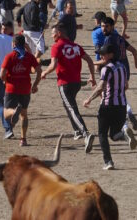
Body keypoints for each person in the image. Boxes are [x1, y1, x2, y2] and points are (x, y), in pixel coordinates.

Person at [41, 23, 96, 153]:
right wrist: (92, 76)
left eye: (53, 33)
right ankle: (77, 130)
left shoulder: (57, 47)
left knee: (71, 108)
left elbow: (53, 65)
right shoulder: (76, 46)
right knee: (68, 105)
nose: (51, 35)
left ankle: (85, 133)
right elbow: (89, 60)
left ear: (59, 33)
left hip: (64, 83)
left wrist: (44, 72)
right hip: (76, 83)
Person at [83, 44, 133, 170]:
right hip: (121, 105)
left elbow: (101, 87)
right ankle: (123, 134)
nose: (101, 55)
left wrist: (89, 99)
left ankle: (108, 162)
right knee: (114, 134)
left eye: (103, 53)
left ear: (111, 54)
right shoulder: (122, 67)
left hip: (107, 106)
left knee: (102, 134)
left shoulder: (107, 69)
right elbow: (126, 86)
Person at [96, 17, 137, 136]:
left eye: (106, 26)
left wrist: (93, 63)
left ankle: (123, 124)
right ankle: (128, 112)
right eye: (102, 26)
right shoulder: (120, 38)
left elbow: (106, 60)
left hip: (113, 71)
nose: (104, 28)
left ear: (112, 26)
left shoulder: (108, 39)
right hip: (124, 71)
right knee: (119, 95)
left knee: (109, 96)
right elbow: (134, 50)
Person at [0, 34, 42, 146]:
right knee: (24, 115)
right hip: (25, 89)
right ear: (24, 44)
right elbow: (39, 70)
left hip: (11, 88)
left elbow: (2, 73)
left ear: (13, 44)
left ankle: (13, 112)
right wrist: (35, 85)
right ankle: (23, 140)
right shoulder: (29, 56)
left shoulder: (9, 56)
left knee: (5, 114)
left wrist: (5, 80)